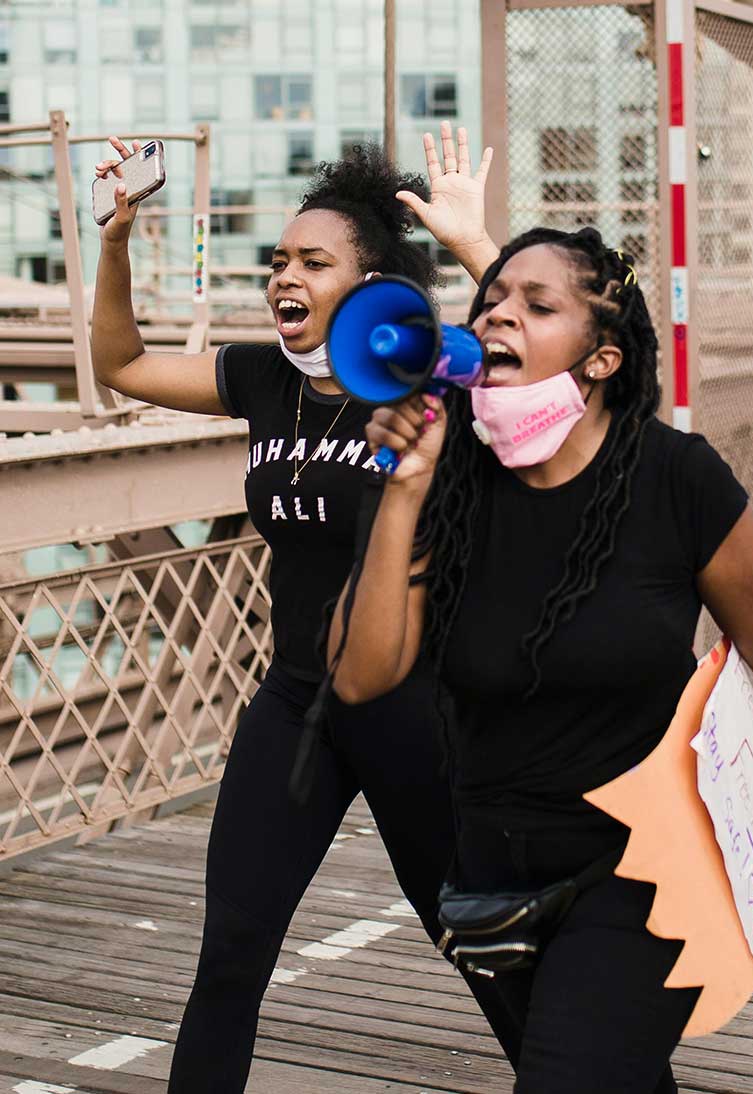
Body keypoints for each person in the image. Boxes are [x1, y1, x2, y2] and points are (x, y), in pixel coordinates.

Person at [325, 224, 753, 1092]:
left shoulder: (678, 479)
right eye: (490, 302)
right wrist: (402, 492)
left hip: (652, 865)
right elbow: (360, 676)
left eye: (536, 304)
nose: (499, 315)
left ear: (601, 361)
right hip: (493, 876)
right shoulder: (445, 476)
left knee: (566, 1077)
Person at [90, 127, 519, 1089]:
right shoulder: (262, 380)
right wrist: (116, 238)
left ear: (371, 287)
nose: (284, 274)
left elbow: (567, 376)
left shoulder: (440, 374)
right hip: (294, 709)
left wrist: (476, 247)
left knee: (486, 949)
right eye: (279, 259)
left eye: (313, 261)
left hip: (421, 716)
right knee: (230, 955)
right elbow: (122, 364)